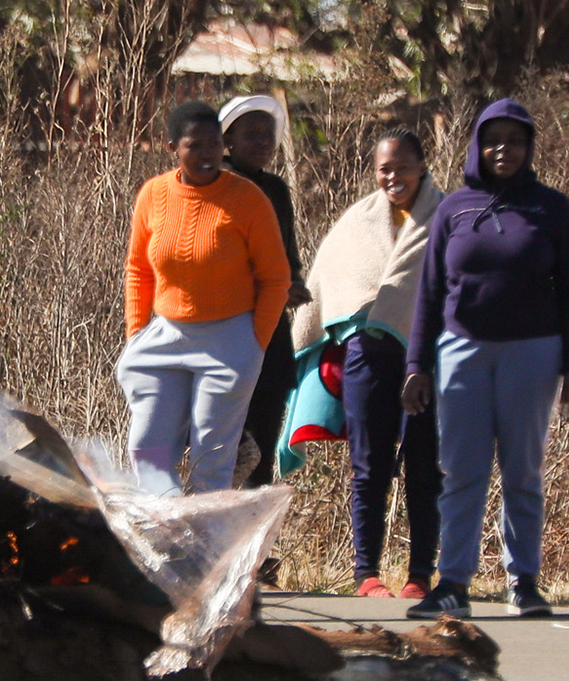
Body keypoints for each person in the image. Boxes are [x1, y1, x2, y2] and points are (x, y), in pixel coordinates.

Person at [402, 99, 569, 620]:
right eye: (493, 139)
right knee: (461, 470)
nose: (503, 149)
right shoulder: (452, 209)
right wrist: (417, 364)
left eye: (515, 139)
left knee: (522, 469)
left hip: (533, 351)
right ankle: (453, 582)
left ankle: (523, 581)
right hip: (462, 351)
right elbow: (431, 292)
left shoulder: (552, 209)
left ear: (530, 148)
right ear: (476, 146)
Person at [289, 129, 443, 599]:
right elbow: (330, 282)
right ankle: (366, 575)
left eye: (402, 166)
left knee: (424, 465)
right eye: (384, 168)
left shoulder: (448, 215)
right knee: (368, 466)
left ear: (422, 164)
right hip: (367, 354)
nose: (393, 176)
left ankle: (420, 575)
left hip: (429, 357)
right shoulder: (357, 220)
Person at [118, 101, 292, 495]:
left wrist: (253, 343)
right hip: (165, 335)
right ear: (172, 148)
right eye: (195, 146)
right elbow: (138, 269)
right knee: (147, 448)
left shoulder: (248, 199)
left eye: (214, 144)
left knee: (211, 460)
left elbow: (276, 279)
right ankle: (162, 541)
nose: (207, 154)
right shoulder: (153, 194)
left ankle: (206, 550)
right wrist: (137, 332)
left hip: (228, 341)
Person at [218, 96, 309, 487]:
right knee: (222, 450)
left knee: (263, 451)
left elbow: (288, 260)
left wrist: (294, 286)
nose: (261, 141)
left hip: (270, 336)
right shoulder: (214, 187)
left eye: (267, 134)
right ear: (228, 139)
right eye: (250, 133)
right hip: (222, 336)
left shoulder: (276, 190)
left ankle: (257, 545)